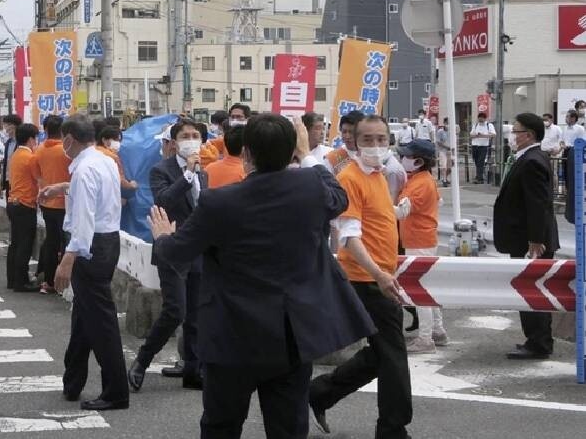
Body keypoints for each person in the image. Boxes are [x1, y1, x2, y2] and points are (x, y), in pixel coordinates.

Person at [148, 114, 375, 439]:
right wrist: (306, 154)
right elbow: (338, 196)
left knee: (221, 425)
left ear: (247, 153)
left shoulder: (220, 202)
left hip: (231, 336)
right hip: (290, 335)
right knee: (287, 427)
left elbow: (177, 254)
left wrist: (162, 237)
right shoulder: (311, 187)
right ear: (290, 152)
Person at [309, 114, 412, 439]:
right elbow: (349, 237)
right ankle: (392, 429)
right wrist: (379, 275)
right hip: (367, 278)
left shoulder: (378, 176)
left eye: (382, 139)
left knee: (382, 353)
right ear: (353, 141)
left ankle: (320, 392)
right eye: (368, 139)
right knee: (393, 354)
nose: (376, 145)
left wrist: (396, 213)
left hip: (381, 274)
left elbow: (374, 218)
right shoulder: (351, 178)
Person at [42, 114, 129, 411]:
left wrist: (68, 258)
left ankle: (116, 390)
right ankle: (73, 380)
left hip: (89, 248)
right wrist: (61, 188)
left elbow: (83, 219)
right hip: (107, 242)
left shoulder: (85, 169)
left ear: (69, 139)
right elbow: (97, 196)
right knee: (84, 316)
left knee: (101, 323)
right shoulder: (102, 160)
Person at [128, 118, 207, 392]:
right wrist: (187, 175)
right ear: (174, 143)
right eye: (186, 135)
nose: (192, 139)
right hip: (171, 248)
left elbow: (203, 208)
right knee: (176, 310)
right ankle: (142, 359)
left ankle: (193, 370)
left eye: (196, 135)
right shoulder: (161, 170)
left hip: (198, 249)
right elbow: (164, 200)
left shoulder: (203, 173)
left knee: (196, 314)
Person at [495, 113, 560, 360]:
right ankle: (536, 338)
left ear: (529, 135)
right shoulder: (528, 158)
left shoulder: (532, 161)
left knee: (531, 290)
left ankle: (539, 342)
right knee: (530, 289)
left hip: (530, 241)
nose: (512, 135)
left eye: (516, 131)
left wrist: (535, 240)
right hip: (525, 238)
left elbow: (538, 205)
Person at [395, 139, 447, 354]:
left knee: (419, 291)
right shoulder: (423, 179)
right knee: (428, 288)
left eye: (407, 156)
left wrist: (376, 206)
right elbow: (439, 202)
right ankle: (437, 331)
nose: (403, 159)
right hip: (424, 239)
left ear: (418, 161)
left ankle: (426, 339)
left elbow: (401, 212)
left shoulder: (419, 183)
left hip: (418, 241)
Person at [32, 115, 71, 294]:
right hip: (66, 203)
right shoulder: (67, 151)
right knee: (66, 243)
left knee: (51, 241)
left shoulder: (39, 151)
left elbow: (37, 176)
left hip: (47, 202)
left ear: (45, 130)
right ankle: (64, 281)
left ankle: (48, 281)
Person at [5, 123, 40, 293]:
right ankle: (21, 281)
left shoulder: (16, 154)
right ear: (31, 139)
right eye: (36, 138)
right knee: (24, 245)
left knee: (15, 243)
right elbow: (38, 179)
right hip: (25, 203)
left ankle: (12, 279)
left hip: (13, 201)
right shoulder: (30, 157)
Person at [324, 110, 364, 175]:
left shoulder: (371, 156)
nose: (347, 136)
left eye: (351, 132)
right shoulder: (332, 158)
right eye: (344, 132)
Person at [0, 114, 23, 200]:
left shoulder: (22, 142)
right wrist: (0, 184)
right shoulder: (8, 142)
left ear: (13, 125)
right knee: (10, 209)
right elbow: (5, 164)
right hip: (9, 181)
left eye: (6, 125)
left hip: (20, 183)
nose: (5, 128)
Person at [469, 112, 495, 184]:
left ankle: (480, 179)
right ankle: (479, 176)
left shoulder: (489, 125)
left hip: (483, 146)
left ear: (485, 118)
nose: (480, 120)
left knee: (481, 161)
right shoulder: (475, 125)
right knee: (476, 161)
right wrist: (476, 135)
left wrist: (483, 135)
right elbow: (471, 135)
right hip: (475, 145)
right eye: (479, 119)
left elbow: (493, 135)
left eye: (482, 119)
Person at [436, 118, 452, 187]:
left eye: (449, 123)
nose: (448, 125)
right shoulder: (440, 131)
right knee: (444, 166)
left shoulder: (452, 131)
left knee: (451, 167)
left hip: (451, 151)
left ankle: (444, 177)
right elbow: (438, 142)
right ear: (444, 123)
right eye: (447, 123)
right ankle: (444, 180)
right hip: (443, 151)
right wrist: (446, 146)